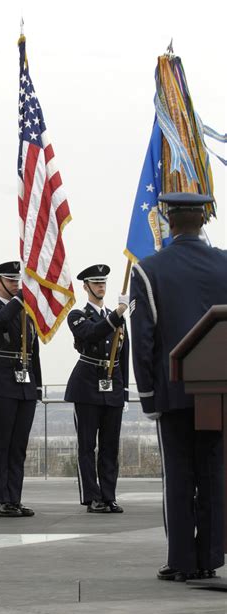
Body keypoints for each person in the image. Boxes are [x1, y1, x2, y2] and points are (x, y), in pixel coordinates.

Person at [130, 192, 227, 582]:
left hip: (173, 390)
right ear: (204, 219)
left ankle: (183, 560)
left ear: (169, 222)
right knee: (215, 473)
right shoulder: (225, 264)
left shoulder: (149, 270)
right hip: (219, 391)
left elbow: (144, 338)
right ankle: (211, 556)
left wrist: (148, 395)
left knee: (180, 475)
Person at [0, 261, 42, 517]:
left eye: (18, 280)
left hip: (24, 383)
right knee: (1, 441)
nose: (16, 284)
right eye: (11, 280)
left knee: (19, 445)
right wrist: (21, 297)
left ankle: (14, 498)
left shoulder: (27, 314)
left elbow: (33, 352)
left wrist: (37, 387)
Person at [64, 265, 129, 514]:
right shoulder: (78, 315)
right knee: (87, 445)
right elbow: (91, 334)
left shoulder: (116, 317)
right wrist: (117, 315)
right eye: (96, 283)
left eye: (103, 282)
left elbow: (124, 355)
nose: (101, 286)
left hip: (112, 386)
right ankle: (92, 497)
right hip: (87, 386)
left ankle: (109, 495)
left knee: (110, 446)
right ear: (86, 286)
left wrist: (122, 393)